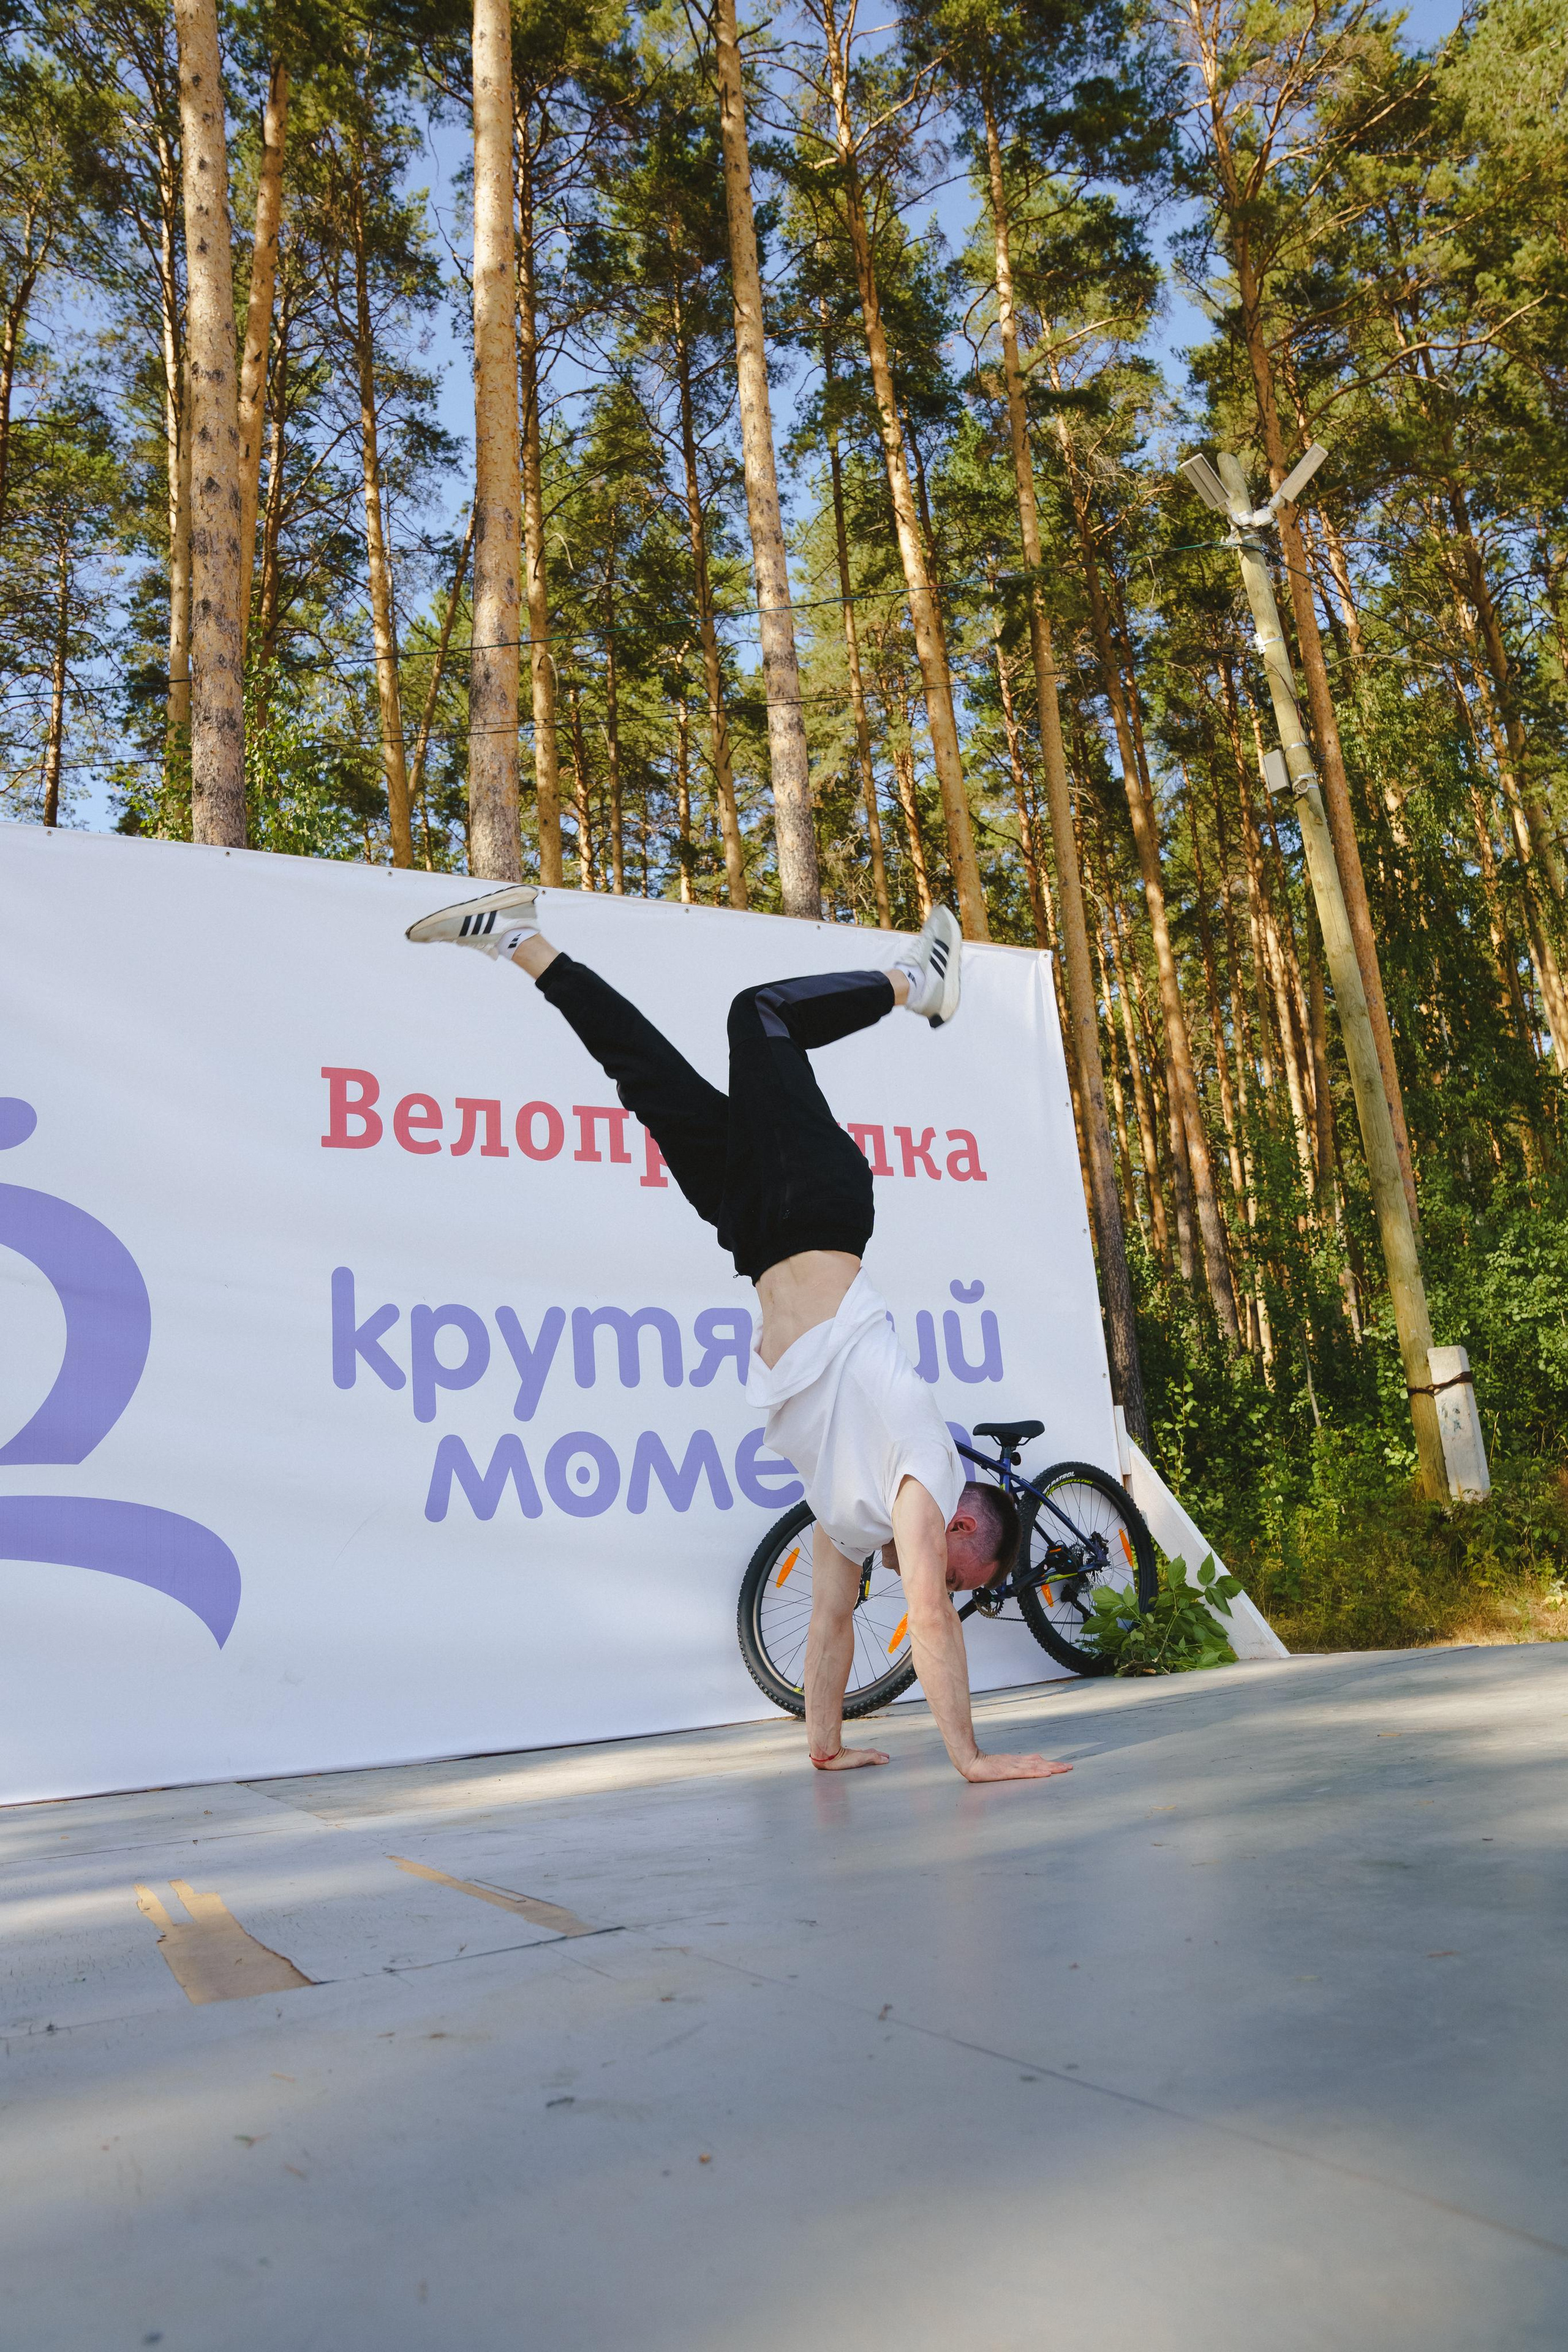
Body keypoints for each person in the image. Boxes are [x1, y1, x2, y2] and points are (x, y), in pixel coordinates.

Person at [407, 885, 1071, 1788]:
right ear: (961, 1526)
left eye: (954, 1585)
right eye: (964, 1572)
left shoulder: (850, 1512)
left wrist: (825, 1742)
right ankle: (918, 982)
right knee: (757, 1014)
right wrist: (970, 1758)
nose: (947, 1587)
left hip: (755, 1228)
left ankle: (519, 940)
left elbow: (834, 1627)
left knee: (645, 1077)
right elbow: (929, 1610)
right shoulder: (926, 1473)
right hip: (816, 1208)